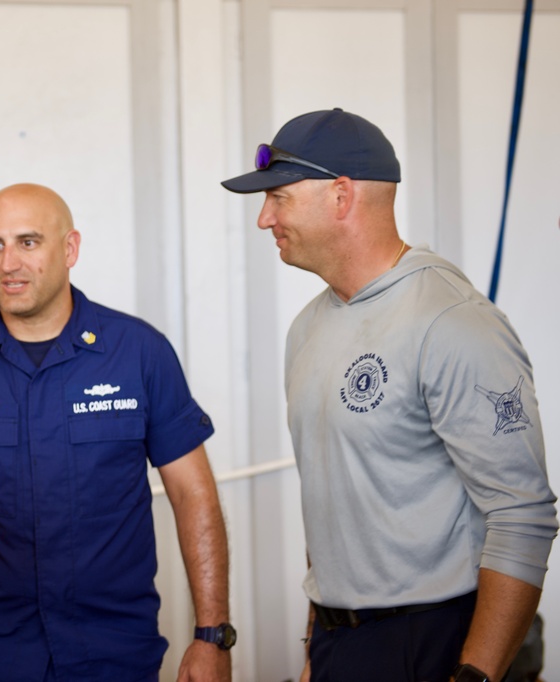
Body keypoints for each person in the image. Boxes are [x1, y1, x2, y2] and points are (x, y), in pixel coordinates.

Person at [221, 108, 557, 682]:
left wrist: (475, 675)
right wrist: (314, 645)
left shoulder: (451, 321)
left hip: (440, 641)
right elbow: (334, 507)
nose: (262, 218)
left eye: (278, 197)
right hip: (339, 643)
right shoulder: (307, 328)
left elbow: (521, 515)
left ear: (341, 195)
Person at [0, 183, 233, 682]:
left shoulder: (139, 353)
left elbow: (194, 495)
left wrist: (212, 635)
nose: (9, 263)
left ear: (70, 249)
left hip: (115, 654)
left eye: (28, 242)